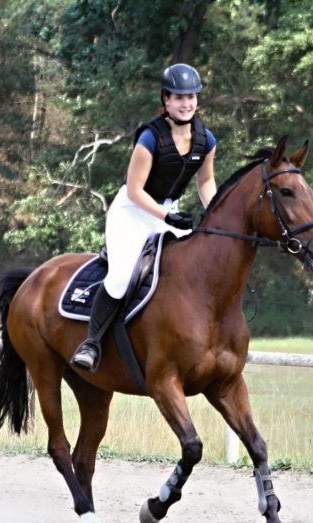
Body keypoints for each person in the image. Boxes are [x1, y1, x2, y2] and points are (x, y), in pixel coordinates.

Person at [71, 63, 217, 372]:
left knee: (192, 270)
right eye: (179, 97)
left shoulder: (206, 140)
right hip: (132, 211)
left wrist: (215, 212)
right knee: (123, 276)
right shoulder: (150, 138)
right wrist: (167, 216)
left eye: (191, 96)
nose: (186, 103)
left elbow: (205, 182)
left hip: (167, 212)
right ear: (166, 99)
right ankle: (92, 343)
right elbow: (135, 190)